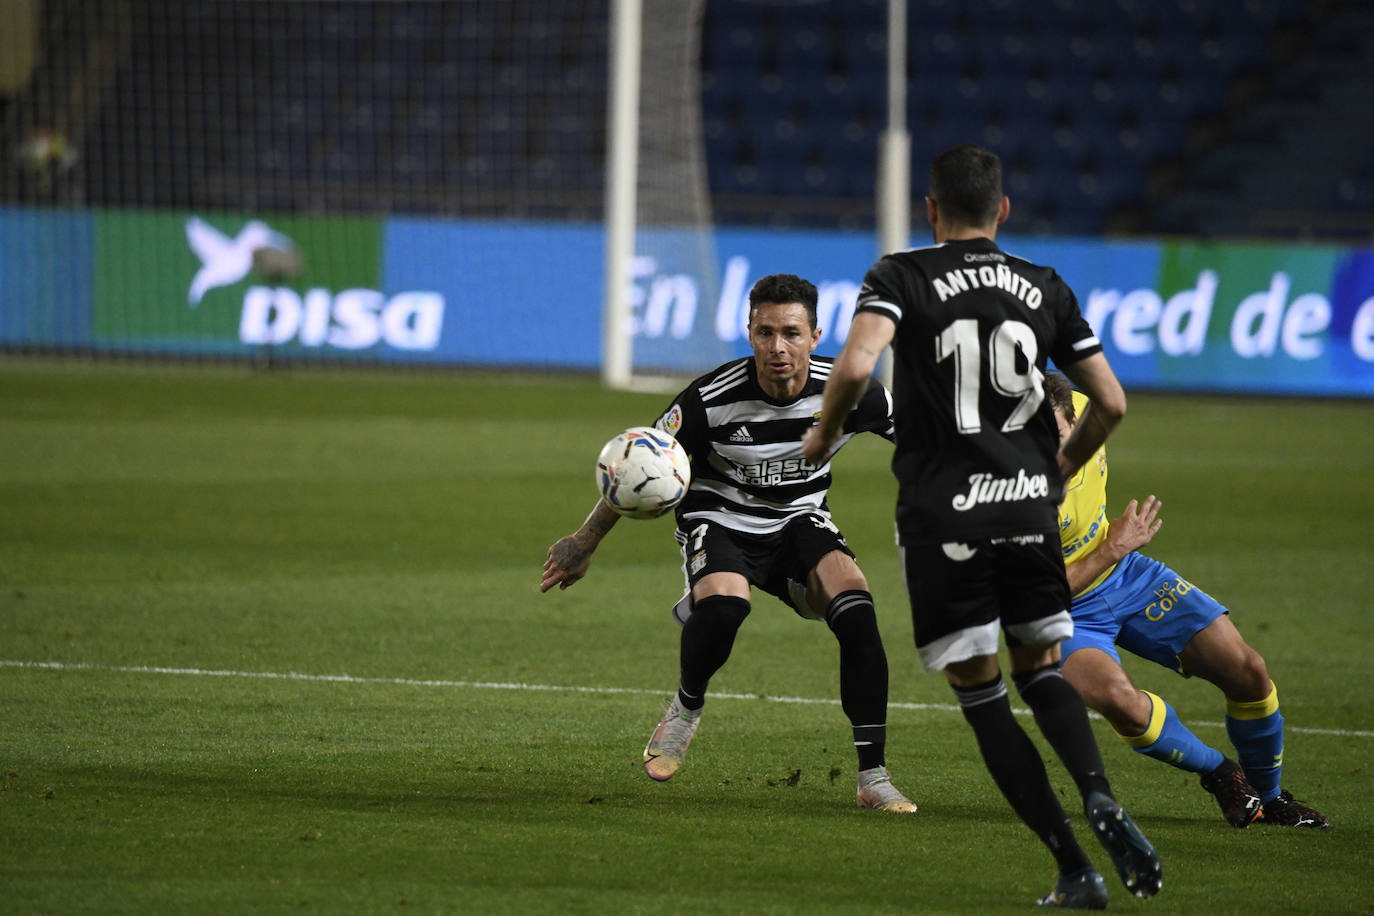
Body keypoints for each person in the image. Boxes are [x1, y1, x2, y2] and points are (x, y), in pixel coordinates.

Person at [803, 144, 1162, 908]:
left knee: (984, 692)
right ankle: (1098, 792)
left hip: (944, 517)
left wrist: (823, 434)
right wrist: (1062, 471)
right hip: (1028, 507)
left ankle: (1073, 866)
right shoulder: (1043, 285)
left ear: (930, 210)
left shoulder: (900, 274)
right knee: (1042, 666)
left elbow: (858, 366)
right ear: (1003, 210)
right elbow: (1113, 401)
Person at [542, 273, 917, 814]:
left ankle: (873, 777)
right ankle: (686, 707)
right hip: (720, 519)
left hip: (800, 520)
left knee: (857, 610)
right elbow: (637, 467)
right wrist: (584, 540)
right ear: (748, 333)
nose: (777, 347)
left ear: (815, 336)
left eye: (791, 332)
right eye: (765, 332)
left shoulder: (850, 389)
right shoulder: (707, 401)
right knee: (723, 606)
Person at [1043, 373, 1330, 830]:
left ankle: (1272, 800)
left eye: (1056, 439)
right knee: (1120, 701)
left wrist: (1114, 554)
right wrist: (1111, 549)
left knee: (1247, 670)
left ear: (1076, 420)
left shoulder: (1090, 407)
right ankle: (1221, 773)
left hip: (1126, 576)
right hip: (1059, 611)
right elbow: (1036, 593)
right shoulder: (1006, 491)